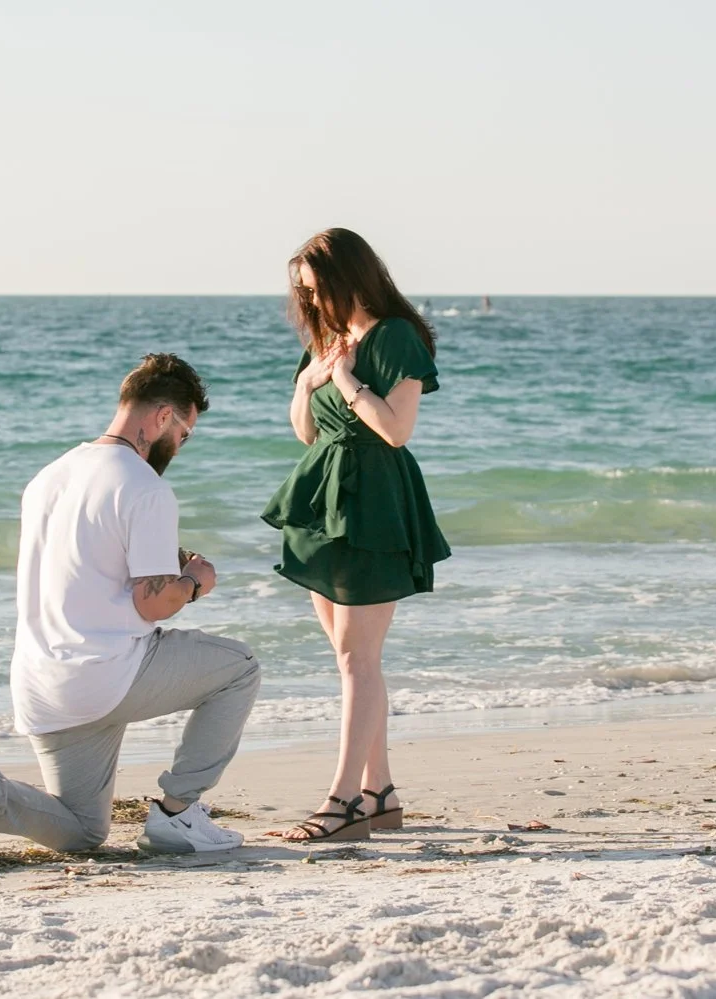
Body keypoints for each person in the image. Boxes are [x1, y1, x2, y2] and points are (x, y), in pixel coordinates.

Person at [0, 353, 260, 856]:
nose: (181, 446)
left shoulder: (50, 475)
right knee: (241, 669)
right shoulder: (145, 486)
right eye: (185, 434)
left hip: (42, 686)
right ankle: (178, 812)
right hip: (107, 675)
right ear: (164, 416)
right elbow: (153, 604)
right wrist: (195, 581)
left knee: (83, 831)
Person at [261, 228, 451, 842]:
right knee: (353, 661)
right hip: (322, 501)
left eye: (318, 291)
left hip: (375, 504)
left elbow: (396, 430)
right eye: (304, 295)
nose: (312, 305)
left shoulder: (396, 336)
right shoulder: (327, 339)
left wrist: (344, 381)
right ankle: (380, 793)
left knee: (356, 659)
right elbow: (305, 432)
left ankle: (344, 800)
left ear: (350, 279)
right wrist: (307, 381)